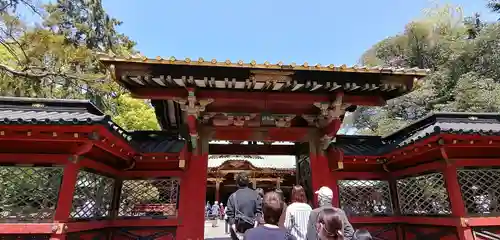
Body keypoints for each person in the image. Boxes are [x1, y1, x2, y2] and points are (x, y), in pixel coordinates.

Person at [226, 172, 263, 240]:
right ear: (248, 182)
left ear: (237, 183)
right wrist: (253, 230)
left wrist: (237, 233)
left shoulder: (232, 197)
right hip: (252, 231)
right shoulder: (256, 195)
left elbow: (230, 217)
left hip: (236, 233)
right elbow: (258, 213)